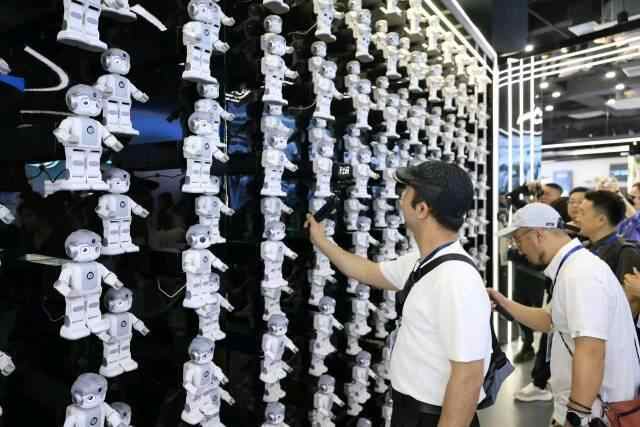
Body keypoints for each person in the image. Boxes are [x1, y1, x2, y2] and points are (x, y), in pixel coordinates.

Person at [306, 161, 491, 427]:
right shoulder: (424, 261)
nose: (400, 199)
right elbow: (370, 272)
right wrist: (322, 241)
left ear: (422, 209)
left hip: (432, 418)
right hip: (411, 411)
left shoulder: (455, 279)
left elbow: (468, 377)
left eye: (406, 192)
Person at [492, 203, 640, 426]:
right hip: (591, 408)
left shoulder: (580, 275)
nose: (518, 249)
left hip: (598, 413)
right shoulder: (572, 268)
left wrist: (576, 416)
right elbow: (550, 320)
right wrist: (502, 302)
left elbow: (591, 350)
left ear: (538, 235)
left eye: (518, 240)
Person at [576, 190, 640, 314]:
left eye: (582, 213)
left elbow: (629, 305)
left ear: (601, 220)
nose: (577, 218)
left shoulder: (626, 252)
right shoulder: (584, 247)